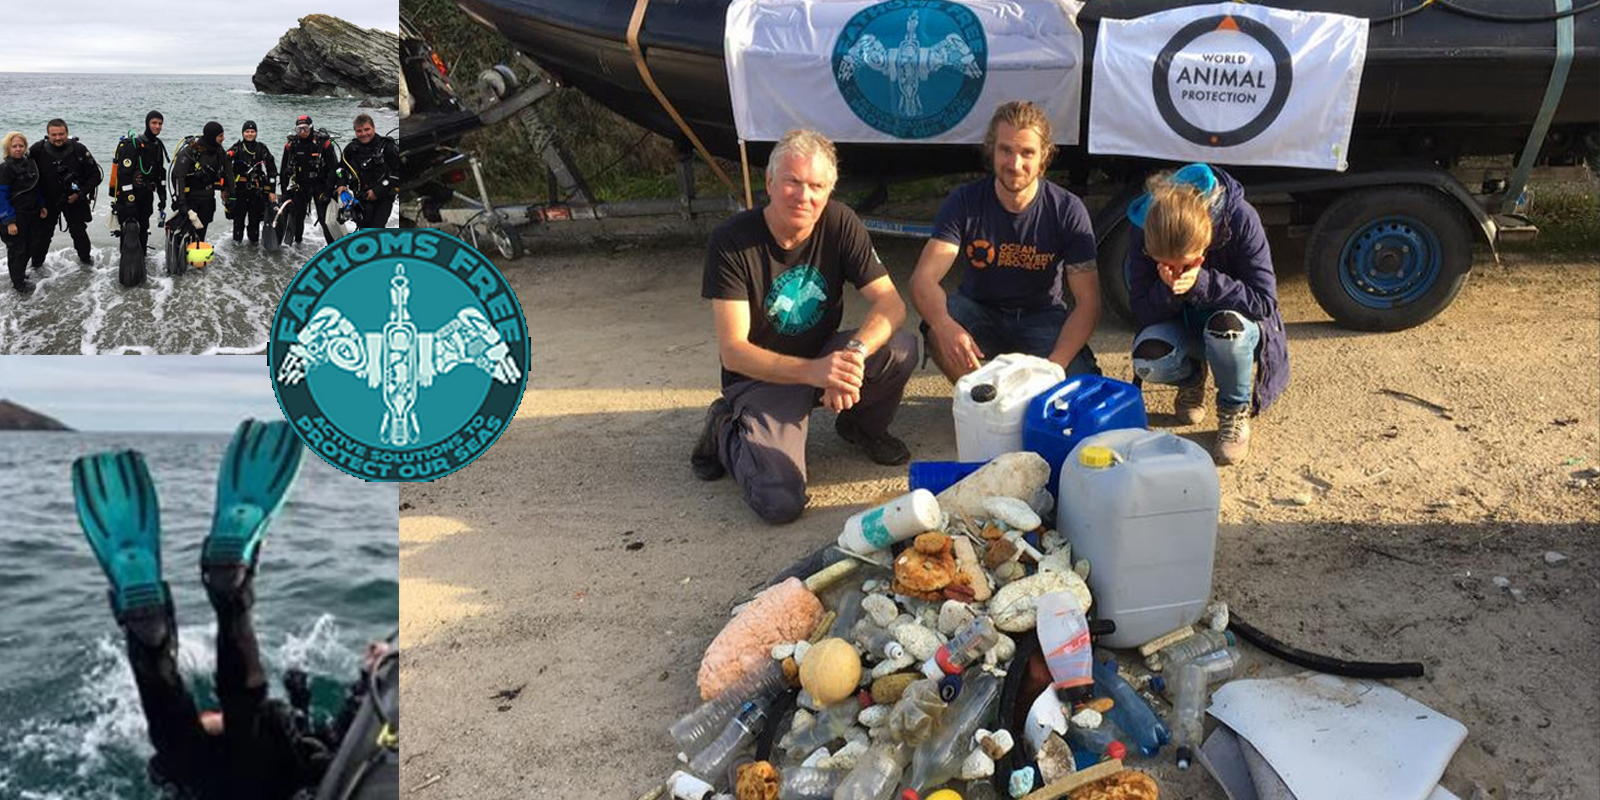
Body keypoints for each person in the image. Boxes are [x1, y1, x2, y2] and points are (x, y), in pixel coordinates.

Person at [72, 420, 398, 800]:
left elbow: (354, 745)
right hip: (237, 778)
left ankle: (229, 595)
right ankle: (151, 629)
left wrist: (370, 679)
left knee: (244, 726)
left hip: (270, 776)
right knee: (186, 744)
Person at [692, 129, 917, 525]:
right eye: (793, 182)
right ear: (770, 183)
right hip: (760, 376)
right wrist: (814, 371)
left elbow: (891, 304)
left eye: (816, 186)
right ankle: (726, 427)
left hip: (823, 355)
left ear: (830, 191)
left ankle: (860, 426)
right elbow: (734, 350)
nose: (804, 196)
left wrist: (852, 357)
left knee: (900, 348)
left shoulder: (840, 222)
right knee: (779, 503)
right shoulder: (731, 241)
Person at [909, 101, 1101, 381]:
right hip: (980, 313)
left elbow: (1088, 303)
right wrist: (944, 325)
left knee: (1082, 384)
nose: (1015, 163)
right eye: (1006, 150)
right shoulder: (964, 201)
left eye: (1027, 152)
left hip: (1042, 317)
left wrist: (1054, 367)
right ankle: (980, 400)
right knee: (938, 328)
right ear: (992, 149)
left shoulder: (1067, 209)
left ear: (1044, 156)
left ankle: (1021, 394)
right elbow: (923, 280)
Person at [1125, 163, 1289, 465]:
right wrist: (1169, 288)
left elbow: (1265, 302)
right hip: (1185, 326)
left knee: (1226, 328)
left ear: (1203, 251)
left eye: (1183, 264)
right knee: (1148, 358)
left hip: (1234, 328)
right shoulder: (1146, 226)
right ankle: (1192, 379)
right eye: (1163, 263)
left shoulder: (1241, 219)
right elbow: (1142, 311)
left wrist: (1202, 282)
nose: (1174, 271)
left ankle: (1233, 411)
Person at [29, 118, 102, 266]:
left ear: (67, 133)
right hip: (47, 202)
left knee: (79, 233)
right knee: (42, 236)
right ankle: (36, 266)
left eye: (61, 134)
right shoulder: (38, 149)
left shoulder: (79, 149)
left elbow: (95, 176)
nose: (58, 138)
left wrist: (80, 194)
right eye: (54, 134)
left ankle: (87, 264)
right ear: (48, 134)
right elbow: (22, 169)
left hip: (74, 199)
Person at [109, 111, 170, 251]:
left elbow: (160, 173)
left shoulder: (158, 145)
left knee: (143, 229)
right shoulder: (134, 145)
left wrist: (162, 196)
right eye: (154, 123)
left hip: (146, 195)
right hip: (128, 197)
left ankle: (142, 259)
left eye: (160, 124)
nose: (157, 127)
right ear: (147, 123)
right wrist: (130, 199)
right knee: (128, 231)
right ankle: (125, 264)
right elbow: (124, 175)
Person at [169, 121, 232, 244]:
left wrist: (230, 193)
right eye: (220, 136)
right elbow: (178, 177)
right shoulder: (190, 153)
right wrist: (181, 203)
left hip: (207, 199)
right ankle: (181, 258)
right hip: (190, 200)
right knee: (185, 234)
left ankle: (196, 259)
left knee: (201, 235)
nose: (223, 138)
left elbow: (228, 172)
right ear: (212, 136)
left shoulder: (219, 152)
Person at [279, 115, 338, 245]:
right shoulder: (292, 145)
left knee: (324, 219)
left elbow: (335, 169)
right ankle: (297, 249)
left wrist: (329, 191)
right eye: (298, 129)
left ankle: (332, 248)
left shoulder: (324, 144)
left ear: (311, 128)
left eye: (305, 128)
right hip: (301, 185)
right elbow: (284, 170)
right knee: (298, 217)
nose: (302, 132)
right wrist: (283, 191)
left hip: (321, 185)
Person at [335, 114, 399, 229]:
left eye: (367, 129)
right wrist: (341, 183)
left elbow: (398, 172)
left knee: (376, 228)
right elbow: (340, 169)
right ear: (355, 132)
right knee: (363, 228)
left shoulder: (388, 147)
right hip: (361, 197)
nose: (364, 134)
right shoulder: (351, 149)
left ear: (374, 128)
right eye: (359, 131)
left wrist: (377, 191)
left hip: (383, 197)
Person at [1, 131, 45, 295]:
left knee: (30, 246)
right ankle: (18, 283)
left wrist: (42, 205)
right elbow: (1, 197)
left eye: (21, 146)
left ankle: (20, 274)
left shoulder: (30, 164)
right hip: (14, 215)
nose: (18, 149)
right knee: (17, 250)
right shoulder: (4, 169)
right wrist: (9, 221)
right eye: (14, 146)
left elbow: (36, 188)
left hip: (32, 213)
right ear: (8, 148)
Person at [227, 121, 278, 245]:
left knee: (254, 221)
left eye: (252, 131)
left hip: (256, 190)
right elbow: (225, 167)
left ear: (256, 133)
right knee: (238, 220)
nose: (250, 134)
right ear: (243, 133)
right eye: (247, 132)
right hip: (239, 190)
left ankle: (253, 250)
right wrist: (225, 189)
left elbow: (272, 170)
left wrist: (272, 190)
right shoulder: (236, 148)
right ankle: (236, 249)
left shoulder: (262, 149)